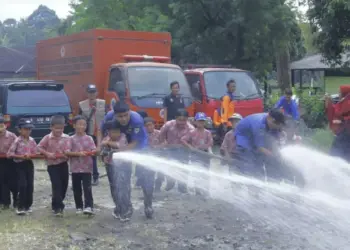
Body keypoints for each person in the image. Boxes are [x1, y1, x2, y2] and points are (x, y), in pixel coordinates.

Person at [100, 102, 149, 221]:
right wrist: (100, 147)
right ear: (115, 115)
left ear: (129, 112)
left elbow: (134, 143)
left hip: (133, 147)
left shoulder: (137, 120)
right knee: (113, 183)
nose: (123, 119)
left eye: (126, 115)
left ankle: (127, 209)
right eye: (120, 116)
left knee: (124, 182)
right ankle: (118, 207)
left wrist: (119, 151)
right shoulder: (109, 117)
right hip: (112, 156)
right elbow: (100, 130)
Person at [234, 109, 285, 179]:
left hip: (256, 139)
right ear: (269, 118)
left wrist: (278, 153)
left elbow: (274, 141)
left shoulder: (274, 124)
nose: (276, 126)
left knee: (260, 165)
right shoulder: (259, 124)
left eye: (278, 125)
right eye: (275, 124)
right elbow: (260, 147)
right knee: (250, 165)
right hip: (245, 139)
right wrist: (274, 156)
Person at [38, 115, 71, 217]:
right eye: (56, 128)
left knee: (64, 185)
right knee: (56, 185)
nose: (59, 130)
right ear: (51, 127)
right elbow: (39, 147)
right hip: (52, 166)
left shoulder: (67, 137)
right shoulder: (47, 138)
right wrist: (48, 154)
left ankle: (55, 203)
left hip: (63, 164)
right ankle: (58, 208)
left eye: (61, 128)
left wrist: (67, 153)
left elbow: (70, 149)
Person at [66, 116, 96, 215]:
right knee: (76, 188)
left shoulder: (89, 138)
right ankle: (79, 206)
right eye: (79, 124)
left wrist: (92, 152)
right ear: (74, 125)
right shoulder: (70, 139)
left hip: (87, 168)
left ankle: (89, 206)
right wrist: (78, 154)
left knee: (87, 187)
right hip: (75, 169)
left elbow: (93, 150)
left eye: (84, 124)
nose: (82, 126)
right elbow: (67, 152)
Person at [159, 109, 195, 193]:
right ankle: (169, 185)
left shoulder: (191, 128)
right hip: (170, 151)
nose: (182, 122)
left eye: (184, 120)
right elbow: (161, 135)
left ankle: (182, 188)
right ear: (175, 118)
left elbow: (192, 143)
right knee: (171, 169)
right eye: (180, 120)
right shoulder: (168, 125)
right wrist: (164, 144)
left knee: (183, 170)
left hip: (184, 152)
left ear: (187, 119)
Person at [7, 119, 37, 215]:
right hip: (19, 165)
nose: (28, 131)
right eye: (25, 129)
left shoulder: (32, 140)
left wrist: (32, 155)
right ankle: (20, 207)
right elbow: (9, 154)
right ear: (19, 130)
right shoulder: (17, 141)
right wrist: (20, 156)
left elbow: (35, 152)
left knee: (30, 185)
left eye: (29, 129)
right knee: (22, 185)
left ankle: (28, 206)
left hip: (29, 164)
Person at [79, 84, 107, 186]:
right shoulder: (82, 105)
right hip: (90, 134)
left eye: (94, 92)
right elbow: (80, 119)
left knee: (105, 154)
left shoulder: (103, 103)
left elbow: (107, 117)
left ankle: (108, 174)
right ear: (87, 93)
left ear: (97, 93)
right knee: (92, 155)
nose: (92, 94)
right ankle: (94, 176)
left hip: (102, 133)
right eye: (90, 92)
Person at [101, 120, 128, 221]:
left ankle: (124, 210)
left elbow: (119, 145)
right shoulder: (106, 138)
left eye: (117, 131)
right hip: (110, 166)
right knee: (113, 187)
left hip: (122, 167)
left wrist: (108, 143)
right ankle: (118, 207)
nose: (116, 134)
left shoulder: (123, 137)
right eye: (113, 132)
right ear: (108, 132)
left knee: (122, 186)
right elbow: (102, 147)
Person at [181, 112, 213, 195]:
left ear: (205, 122)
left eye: (202, 121)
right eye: (199, 121)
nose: (201, 123)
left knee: (206, 174)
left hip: (205, 156)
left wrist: (208, 150)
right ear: (195, 122)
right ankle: (197, 191)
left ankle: (206, 191)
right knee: (196, 173)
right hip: (195, 156)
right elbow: (183, 140)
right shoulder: (192, 132)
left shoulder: (208, 133)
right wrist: (190, 147)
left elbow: (210, 143)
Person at [326, 85, 350, 161]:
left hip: (345, 135)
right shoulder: (344, 101)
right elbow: (336, 111)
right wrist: (329, 104)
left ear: (344, 93)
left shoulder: (347, 103)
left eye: (339, 92)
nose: (338, 94)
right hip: (343, 134)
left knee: (336, 155)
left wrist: (339, 121)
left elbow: (341, 115)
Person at [0, 115, 17, 210]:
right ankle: (4, 202)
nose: (0, 128)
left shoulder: (12, 136)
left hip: (10, 161)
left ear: (5, 125)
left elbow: (18, 147)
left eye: (1, 125)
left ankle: (16, 201)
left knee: (14, 182)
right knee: (2, 182)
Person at [144, 117, 163, 192]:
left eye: (150, 125)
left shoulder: (159, 133)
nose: (149, 127)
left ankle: (158, 186)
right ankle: (149, 187)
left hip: (159, 156)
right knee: (150, 173)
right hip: (148, 158)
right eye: (146, 126)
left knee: (161, 173)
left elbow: (165, 143)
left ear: (154, 125)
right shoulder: (143, 135)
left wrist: (157, 147)